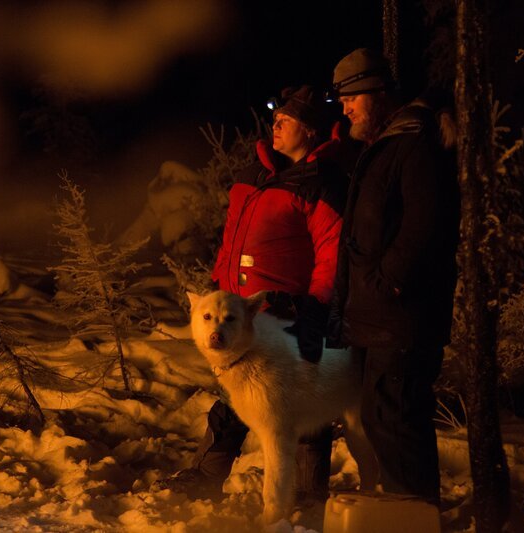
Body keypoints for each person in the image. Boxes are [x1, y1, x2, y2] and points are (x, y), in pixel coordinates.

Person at [155, 85, 348, 502]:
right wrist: (215, 286)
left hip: (287, 312)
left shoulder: (322, 182)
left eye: (286, 121)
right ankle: (206, 476)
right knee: (233, 398)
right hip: (237, 309)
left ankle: (308, 493)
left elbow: (331, 254)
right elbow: (231, 240)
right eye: (274, 119)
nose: (274, 126)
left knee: (300, 408)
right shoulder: (255, 175)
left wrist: (315, 308)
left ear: (310, 131)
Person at [327, 48, 460, 504]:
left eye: (352, 99)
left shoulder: (413, 144)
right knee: (382, 417)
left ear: (379, 94)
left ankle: (416, 515)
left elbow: (427, 223)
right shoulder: (385, 145)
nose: (345, 109)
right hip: (378, 312)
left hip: (400, 315)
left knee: (396, 420)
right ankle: (405, 510)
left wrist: (389, 281)